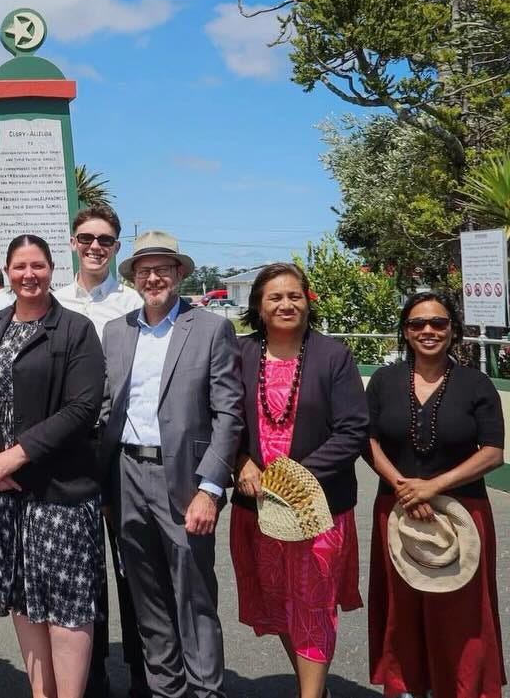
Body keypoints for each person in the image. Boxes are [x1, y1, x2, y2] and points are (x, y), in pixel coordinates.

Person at [0, 234, 107, 698]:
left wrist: (16, 455)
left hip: (58, 490)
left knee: (65, 604)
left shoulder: (75, 329)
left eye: (37, 266)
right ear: (7, 270)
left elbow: (82, 408)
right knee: (22, 596)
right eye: (20, 266)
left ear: (51, 268)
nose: (29, 275)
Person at [100, 230, 242, 698]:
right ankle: (166, 691)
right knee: (147, 598)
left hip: (183, 480)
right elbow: (104, 407)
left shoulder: (210, 329)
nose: (154, 277)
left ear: (180, 274)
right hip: (125, 475)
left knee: (194, 596)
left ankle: (206, 692)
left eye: (163, 268)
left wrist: (210, 488)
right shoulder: (116, 332)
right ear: (134, 277)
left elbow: (228, 413)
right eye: (145, 270)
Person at [228, 263, 366, 698]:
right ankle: (315, 688)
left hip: (316, 509)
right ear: (258, 306)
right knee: (279, 605)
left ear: (308, 302)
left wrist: (290, 480)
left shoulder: (333, 356)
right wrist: (241, 460)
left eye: (295, 296)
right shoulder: (239, 354)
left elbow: (353, 430)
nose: (286, 304)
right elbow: (221, 419)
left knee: (313, 607)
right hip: (257, 510)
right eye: (275, 297)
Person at [365, 291, 506, 698]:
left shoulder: (476, 384)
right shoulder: (384, 381)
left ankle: (463, 689)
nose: (428, 331)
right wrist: (402, 486)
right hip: (396, 506)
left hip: (463, 512)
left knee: (460, 612)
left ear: (453, 329)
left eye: (438, 323)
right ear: (405, 332)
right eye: (417, 324)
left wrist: (432, 486)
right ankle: (405, 686)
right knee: (401, 603)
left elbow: (493, 452)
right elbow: (367, 439)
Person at [52, 205, 147, 698]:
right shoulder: (52, 301)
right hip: (67, 452)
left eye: (105, 240)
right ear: (72, 242)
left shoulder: (133, 304)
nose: (95, 246)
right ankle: (90, 676)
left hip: (121, 449)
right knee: (81, 572)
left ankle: (142, 672)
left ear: (116, 247)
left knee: (131, 567)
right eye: (86, 237)